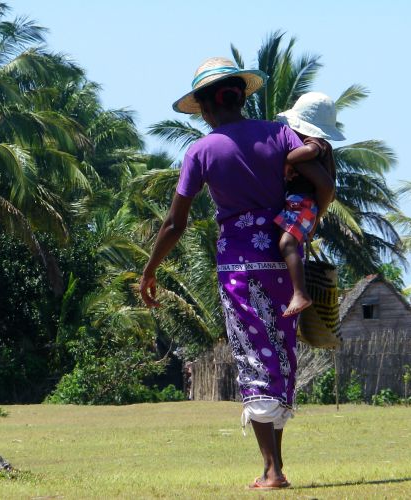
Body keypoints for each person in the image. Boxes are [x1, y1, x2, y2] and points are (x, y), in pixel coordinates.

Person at [139, 57, 335, 490]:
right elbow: (322, 182)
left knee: (254, 358)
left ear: (206, 109)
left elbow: (175, 224)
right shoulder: (280, 133)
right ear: (241, 99)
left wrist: (150, 271)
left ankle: (272, 469)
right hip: (284, 260)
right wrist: (310, 221)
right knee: (279, 357)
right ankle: (274, 466)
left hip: (238, 266)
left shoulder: (201, 151)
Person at [273, 92, 345, 317]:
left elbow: (311, 151)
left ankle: (300, 293)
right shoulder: (320, 146)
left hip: (302, 203)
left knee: (287, 244)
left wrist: (286, 159)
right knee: (286, 242)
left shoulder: (315, 144)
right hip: (301, 204)